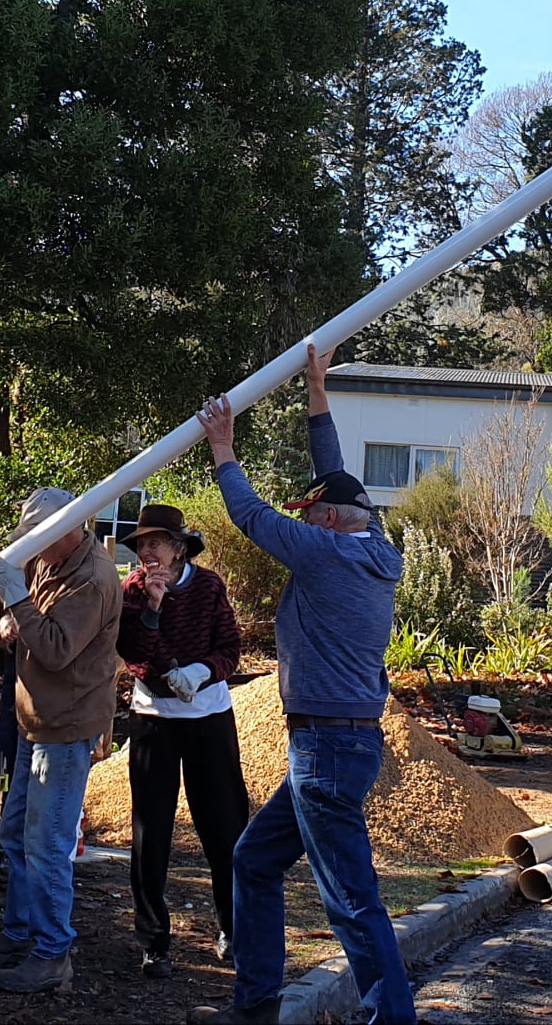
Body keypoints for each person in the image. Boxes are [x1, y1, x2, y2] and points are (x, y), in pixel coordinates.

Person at [188, 344, 416, 1025]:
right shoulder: (373, 547)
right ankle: (256, 1004)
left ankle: (391, 1018)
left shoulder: (323, 553)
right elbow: (336, 478)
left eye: (312, 512)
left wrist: (223, 447)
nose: (306, 519)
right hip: (340, 745)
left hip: (324, 750)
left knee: (351, 899)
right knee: (254, 861)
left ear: (328, 521)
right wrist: (317, 389)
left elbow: (252, 516)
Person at [0, 487, 122, 995]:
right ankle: (20, 932)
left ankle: (52, 954)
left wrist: (17, 603)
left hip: (65, 726)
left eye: (39, 537)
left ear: (68, 529)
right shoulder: (51, 557)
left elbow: (54, 649)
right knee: (16, 832)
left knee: (47, 843)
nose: (32, 548)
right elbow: (6, 601)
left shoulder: (92, 578)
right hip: (37, 718)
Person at [115, 503, 248, 980]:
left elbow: (230, 649)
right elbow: (133, 653)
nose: (147, 552)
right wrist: (153, 610)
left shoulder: (209, 586)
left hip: (209, 716)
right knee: (151, 831)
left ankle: (233, 929)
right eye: (141, 545)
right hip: (154, 719)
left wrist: (201, 672)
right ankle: (153, 942)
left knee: (224, 826)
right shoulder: (133, 590)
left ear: (178, 548)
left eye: (156, 543)